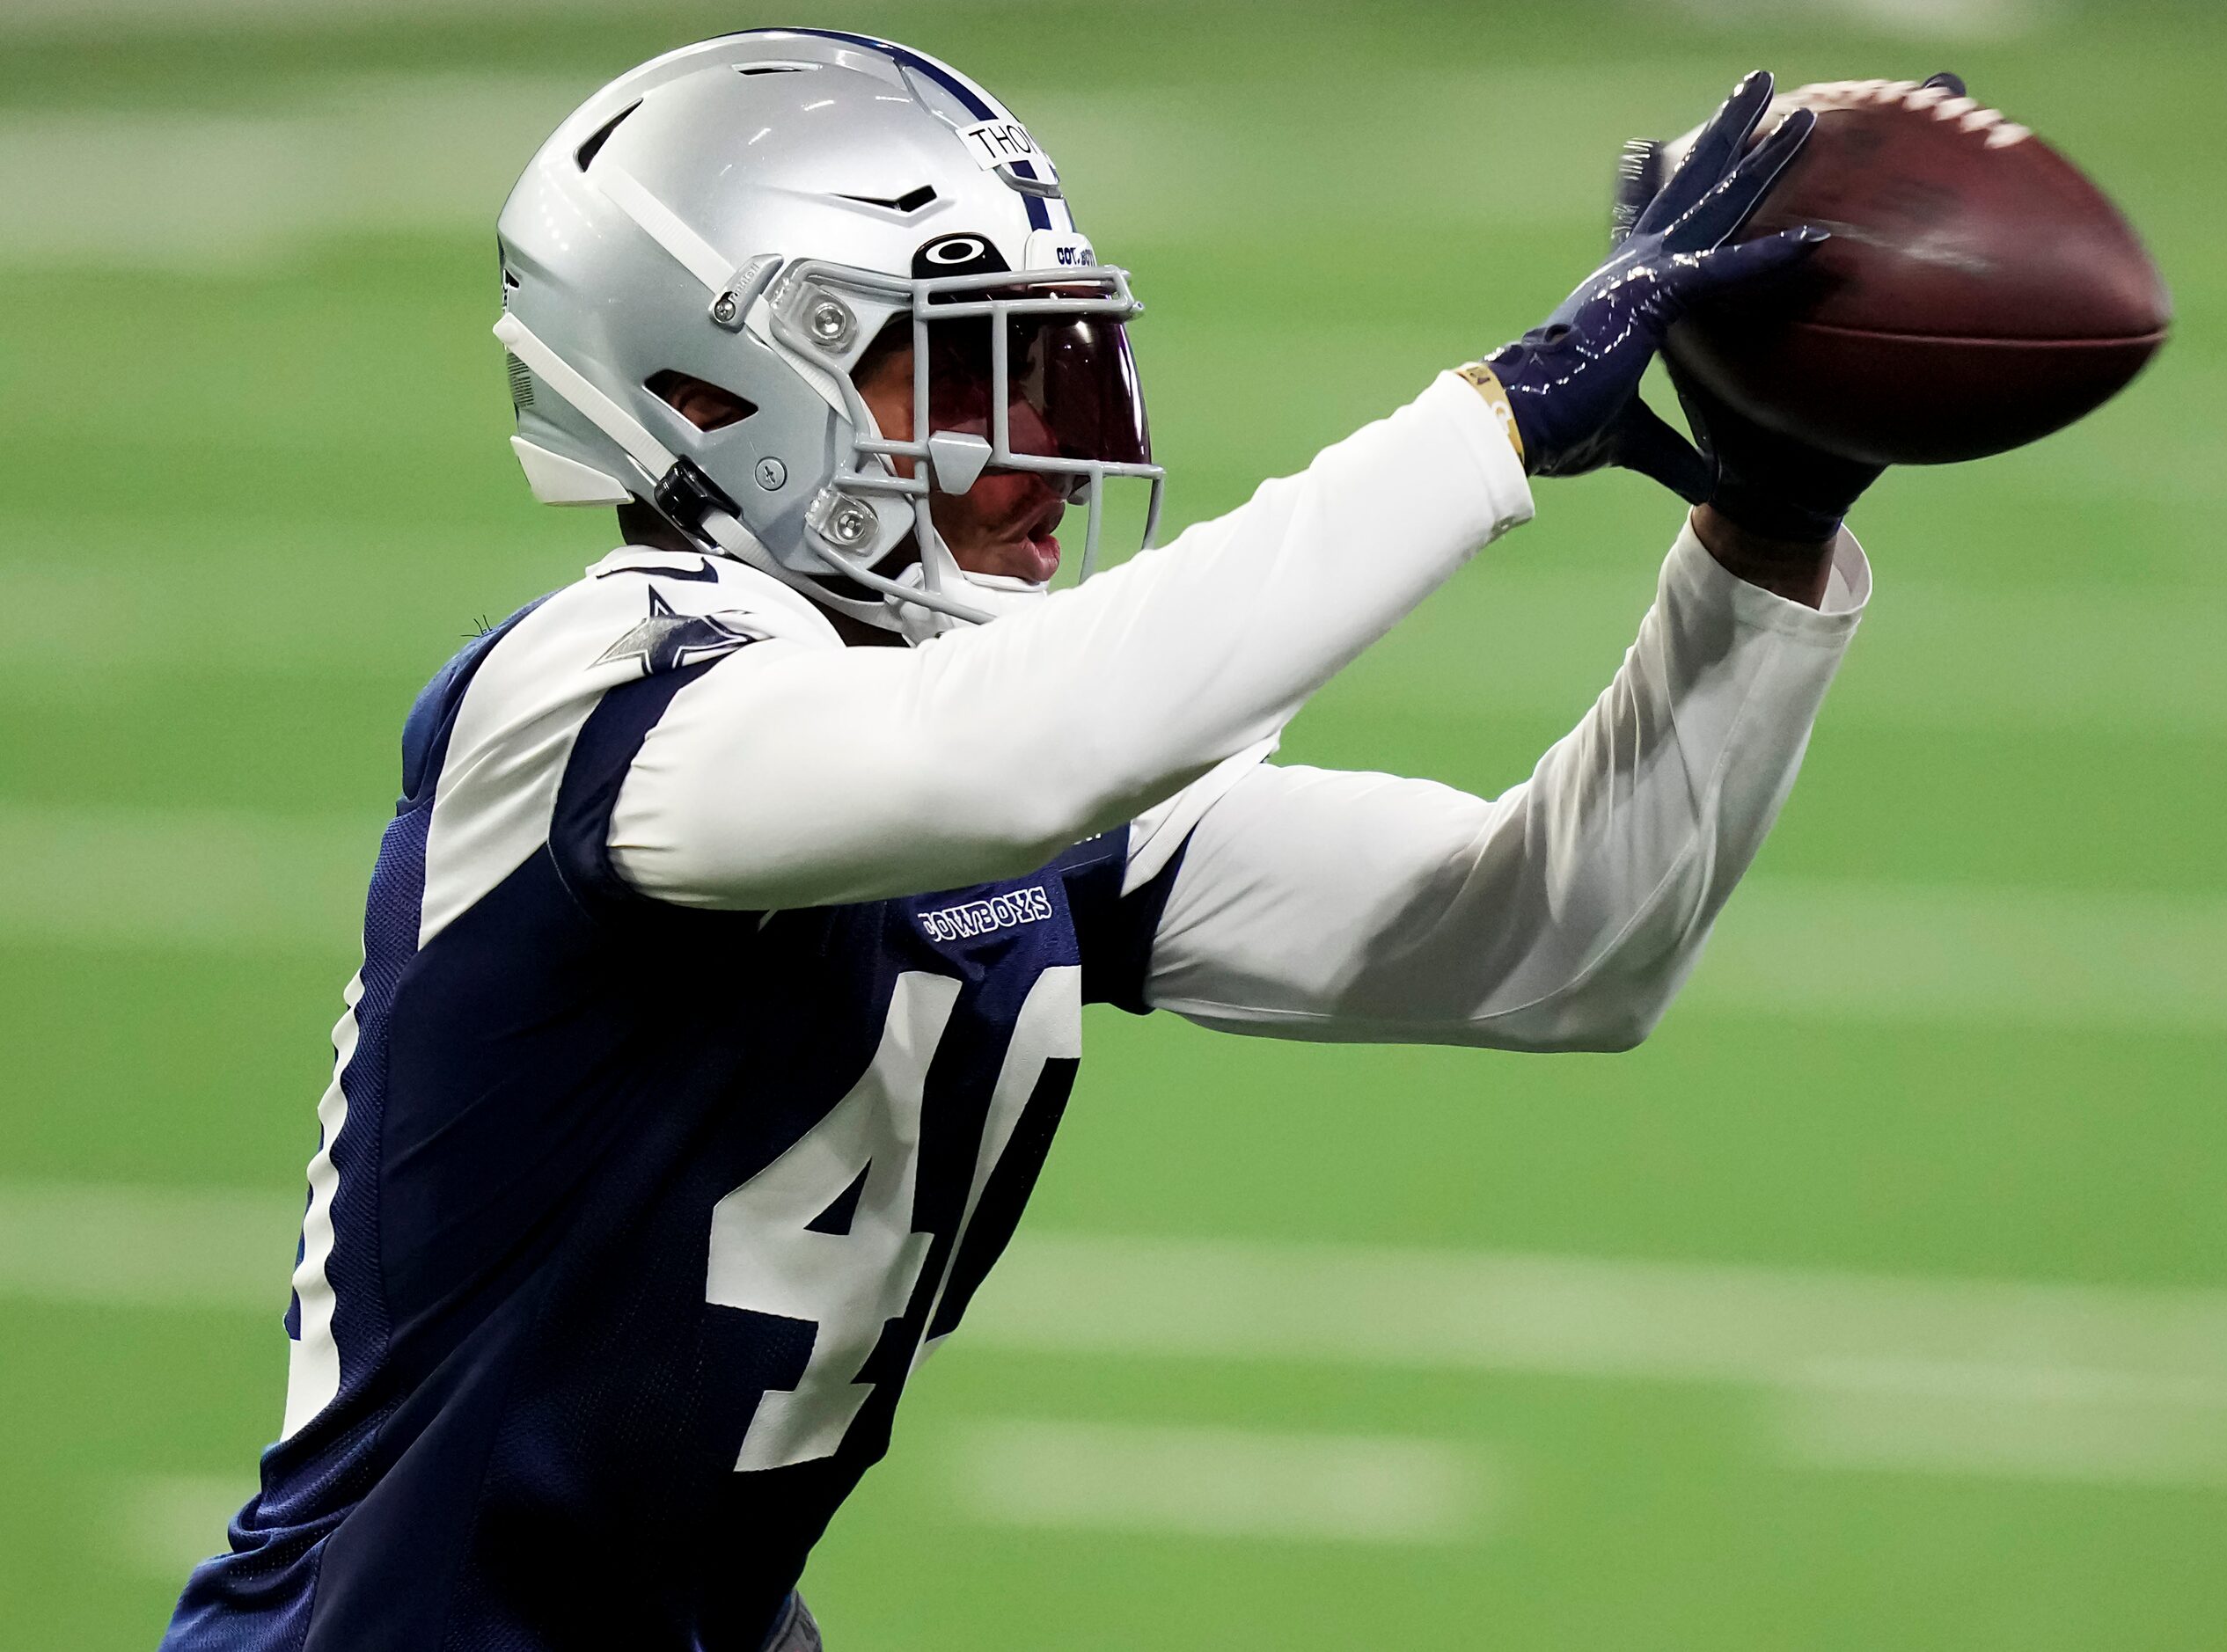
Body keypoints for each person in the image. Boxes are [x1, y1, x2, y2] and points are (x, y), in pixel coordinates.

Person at [164, 31, 1886, 1652]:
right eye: (985, 370)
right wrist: (1490, 418)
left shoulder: (957, 727)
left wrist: (1762, 540)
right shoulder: (598, 691)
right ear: (713, 385)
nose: (1058, 451)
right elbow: (1009, 758)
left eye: (1068, 367)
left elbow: (1559, 943)